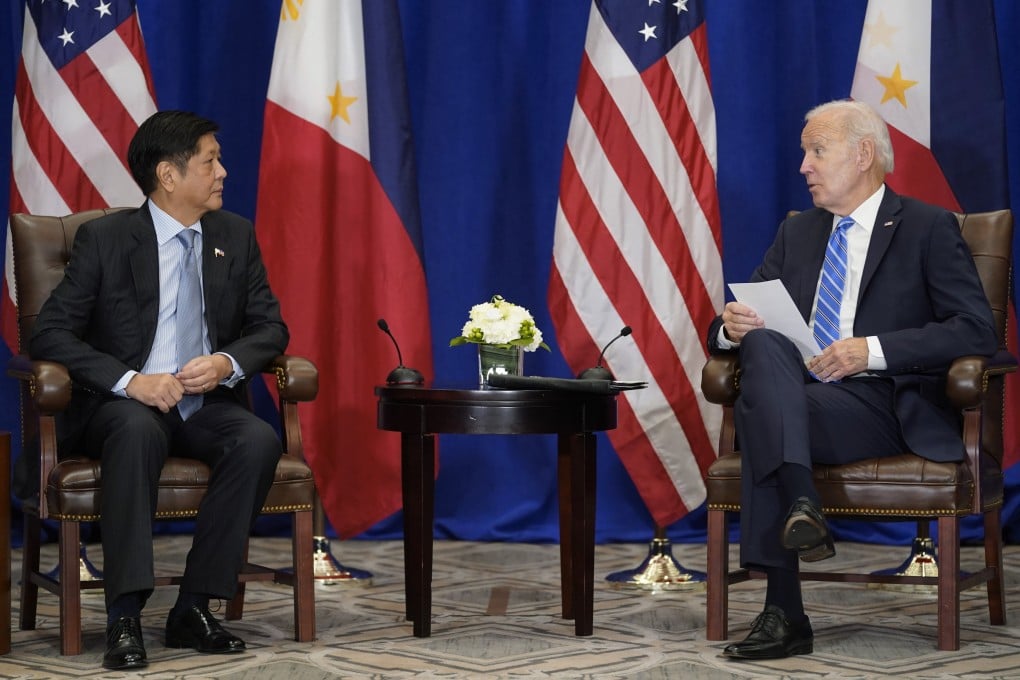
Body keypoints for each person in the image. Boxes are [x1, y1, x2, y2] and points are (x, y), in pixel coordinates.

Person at [705, 99, 997, 660]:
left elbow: (975, 329)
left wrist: (873, 351)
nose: (804, 167)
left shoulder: (927, 227)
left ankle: (784, 612)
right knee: (762, 346)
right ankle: (803, 505)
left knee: (762, 415)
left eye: (817, 151)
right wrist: (729, 328)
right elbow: (742, 318)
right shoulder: (797, 232)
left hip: (882, 404)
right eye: (805, 154)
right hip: (801, 399)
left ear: (863, 154)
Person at [29, 110, 289, 670]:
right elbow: (48, 332)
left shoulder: (234, 235)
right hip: (121, 405)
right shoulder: (105, 239)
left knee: (257, 440)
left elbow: (270, 328)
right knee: (135, 430)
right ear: (168, 175)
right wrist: (131, 382)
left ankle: (194, 607)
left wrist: (224, 363)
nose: (223, 171)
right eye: (210, 161)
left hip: (205, 404)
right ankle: (124, 615)